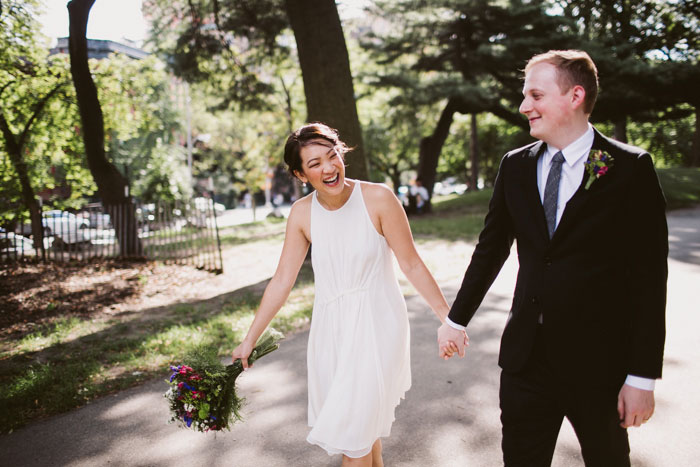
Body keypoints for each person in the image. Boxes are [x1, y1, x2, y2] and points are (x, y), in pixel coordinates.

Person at [437, 50, 668, 466]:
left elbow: (649, 279)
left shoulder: (627, 168)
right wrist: (456, 319)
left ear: (575, 95)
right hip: (526, 361)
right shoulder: (516, 167)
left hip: (601, 364)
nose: (524, 106)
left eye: (535, 95)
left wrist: (642, 376)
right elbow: (490, 250)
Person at [232, 123, 457, 467]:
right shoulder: (302, 213)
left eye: (332, 155)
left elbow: (411, 264)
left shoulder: (378, 198)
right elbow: (282, 279)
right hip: (331, 334)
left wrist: (448, 319)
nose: (329, 168)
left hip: (377, 327)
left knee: (355, 444)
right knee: (365, 440)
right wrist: (249, 339)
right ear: (300, 174)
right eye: (315, 163)